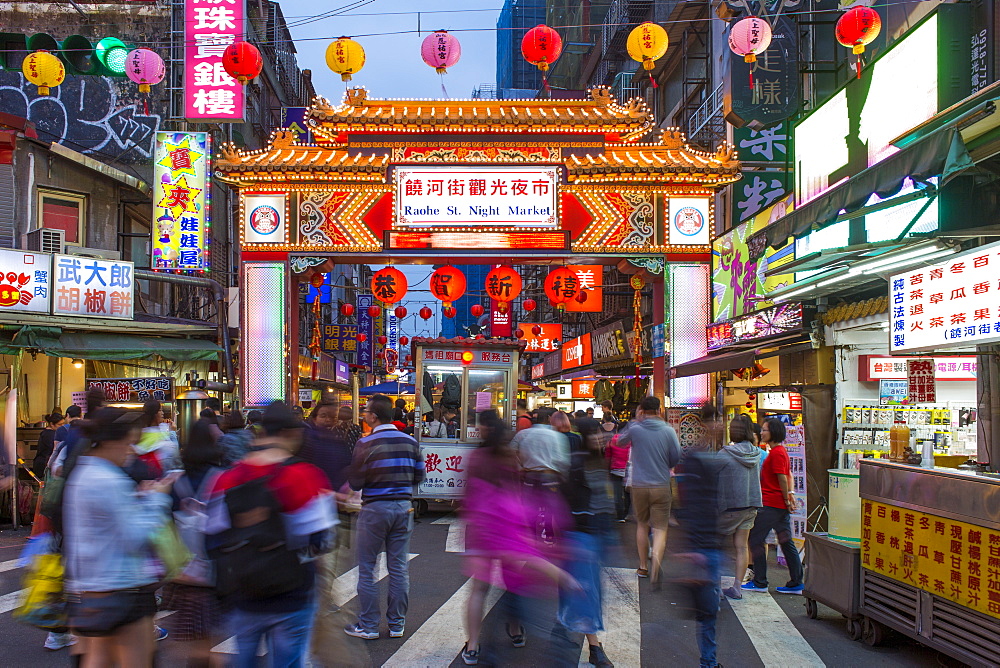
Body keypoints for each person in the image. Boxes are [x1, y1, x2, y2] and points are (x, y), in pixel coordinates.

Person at [206, 401, 336, 667]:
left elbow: (211, 538)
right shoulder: (304, 476)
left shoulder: (227, 477)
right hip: (292, 593)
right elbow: (321, 541)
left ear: (262, 432)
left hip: (244, 594)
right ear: (293, 434)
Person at [460, 411, 579, 666]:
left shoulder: (476, 458)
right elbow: (518, 491)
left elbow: (468, 495)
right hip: (508, 530)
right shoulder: (510, 458)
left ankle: (472, 645)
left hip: (481, 530)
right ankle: (515, 632)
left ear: (483, 429)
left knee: (479, 589)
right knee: (512, 583)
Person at [63, 408, 176, 667]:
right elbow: (135, 536)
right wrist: (157, 498)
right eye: (128, 443)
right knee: (136, 659)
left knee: (99, 658)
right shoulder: (109, 480)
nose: (131, 451)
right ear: (111, 441)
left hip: (91, 587)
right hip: (123, 586)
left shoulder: (82, 474)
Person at [345, 394, 425, 640]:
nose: (364, 415)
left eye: (366, 411)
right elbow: (419, 477)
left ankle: (368, 626)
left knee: (367, 568)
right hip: (403, 509)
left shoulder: (365, 443)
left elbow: (356, 481)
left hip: (374, 509)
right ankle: (397, 624)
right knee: (399, 568)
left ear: (374, 416)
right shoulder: (411, 442)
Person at [554, 416, 615, 668]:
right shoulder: (578, 464)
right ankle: (595, 647)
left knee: (580, 588)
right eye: (596, 433)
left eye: (601, 433)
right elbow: (571, 503)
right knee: (586, 591)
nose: (601, 437)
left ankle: (563, 623)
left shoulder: (597, 461)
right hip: (580, 536)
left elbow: (606, 500)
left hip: (593, 536)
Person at [161, 419, 224, 642]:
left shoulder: (175, 480)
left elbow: (165, 520)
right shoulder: (221, 477)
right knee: (205, 639)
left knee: (192, 636)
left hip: (183, 569)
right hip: (214, 568)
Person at [674, 404, 722, 668]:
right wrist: (692, 547)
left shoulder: (714, 455)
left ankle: (709, 660)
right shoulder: (695, 458)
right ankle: (708, 662)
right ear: (706, 424)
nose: (719, 425)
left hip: (712, 540)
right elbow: (691, 504)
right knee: (707, 611)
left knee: (709, 609)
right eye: (716, 420)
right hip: (703, 544)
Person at [300, 401, 355, 617]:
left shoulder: (339, 441)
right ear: (314, 417)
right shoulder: (306, 440)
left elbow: (348, 467)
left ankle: (324, 596)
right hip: (312, 506)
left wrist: (348, 488)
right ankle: (313, 597)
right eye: (324, 416)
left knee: (331, 558)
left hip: (335, 509)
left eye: (332, 416)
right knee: (313, 556)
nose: (329, 420)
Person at [618, 396, 681, 583]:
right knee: (660, 528)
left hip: (639, 485)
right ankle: (656, 565)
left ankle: (643, 567)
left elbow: (620, 442)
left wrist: (634, 422)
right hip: (661, 483)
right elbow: (676, 457)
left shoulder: (636, 429)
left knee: (642, 524)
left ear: (642, 410)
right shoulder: (668, 431)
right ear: (659, 410)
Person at [743, 417, 803, 595]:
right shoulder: (779, 451)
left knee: (755, 539)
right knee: (785, 542)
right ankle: (796, 582)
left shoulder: (776, 453)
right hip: (778, 505)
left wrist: (786, 499)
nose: (762, 433)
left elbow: (782, 478)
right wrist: (788, 499)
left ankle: (760, 581)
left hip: (771, 504)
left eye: (765, 430)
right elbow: (787, 476)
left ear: (774, 432)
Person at [716, 417, 762, 600]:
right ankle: (737, 587)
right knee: (742, 547)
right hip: (751, 505)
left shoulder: (725, 453)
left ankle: (717, 589)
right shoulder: (757, 453)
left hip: (728, 506)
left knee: (716, 547)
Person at [134, 400, 181, 478]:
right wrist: (173, 432)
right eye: (160, 410)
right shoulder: (157, 434)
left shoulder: (140, 432)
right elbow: (174, 453)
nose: (162, 413)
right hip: (163, 478)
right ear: (154, 413)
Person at [603, 418, 630, 523]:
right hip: (628, 469)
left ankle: (620, 516)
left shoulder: (612, 440)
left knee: (617, 493)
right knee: (627, 492)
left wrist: (607, 469)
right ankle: (626, 512)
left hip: (615, 469)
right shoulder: (632, 441)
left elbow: (608, 457)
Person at [33, 412, 63, 478]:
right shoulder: (49, 435)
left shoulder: (49, 433)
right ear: (52, 424)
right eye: (59, 424)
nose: (62, 426)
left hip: (43, 464)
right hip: (43, 465)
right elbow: (55, 449)